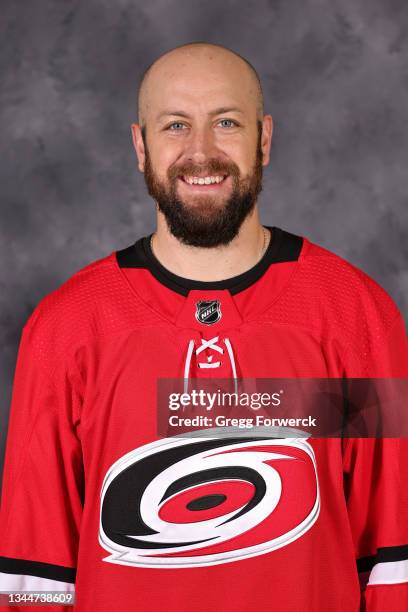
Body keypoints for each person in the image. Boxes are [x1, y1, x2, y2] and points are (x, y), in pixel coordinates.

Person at [0, 41, 407, 612]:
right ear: (140, 147)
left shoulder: (354, 315)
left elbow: (391, 560)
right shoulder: (66, 328)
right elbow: (34, 576)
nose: (202, 152)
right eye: (174, 126)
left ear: (264, 139)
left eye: (226, 121)